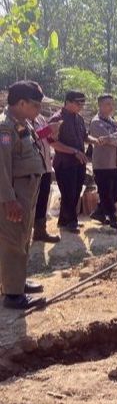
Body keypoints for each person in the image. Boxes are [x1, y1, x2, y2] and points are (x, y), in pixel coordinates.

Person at [0, 81, 47, 309]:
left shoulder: (21, 124)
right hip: (15, 194)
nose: (38, 111)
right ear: (21, 103)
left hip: (26, 190)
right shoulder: (5, 128)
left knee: (23, 238)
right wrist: (9, 199)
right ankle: (12, 294)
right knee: (13, 240)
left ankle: (16, 282)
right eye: (35, 106)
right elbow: (2, 167)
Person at [49, 91, 100, 233]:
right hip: (65, 163)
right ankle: (71, 221)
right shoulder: (57, 119)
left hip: (79, 162)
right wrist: (74, 151)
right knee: (68, 192)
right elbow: (52, 143)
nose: (82, 106)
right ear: (68, 102)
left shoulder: (79, 119)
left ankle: (64, 220)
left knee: (76, 191)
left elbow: (84, 136)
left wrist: (94, 140)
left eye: (83, 103)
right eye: (79, 103)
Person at [89, 94, 117, 230]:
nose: (111, 107)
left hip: (115, 162)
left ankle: (99, 211)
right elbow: (110, 140)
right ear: (100, 105)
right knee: (105, 191)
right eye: (108, 104)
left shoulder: (112, 121)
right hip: (103, 164)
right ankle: (113, 217)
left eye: (112, 104)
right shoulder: (96, 122)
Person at [32, 113, 61, 243]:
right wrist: (48, 130)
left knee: (43, 199)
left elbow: (47, 139)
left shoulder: (40, 118)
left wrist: (53, 134)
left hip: (45, 166)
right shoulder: (20, 120)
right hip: (31, 169)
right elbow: (30, 138)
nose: (38, 107)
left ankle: (40, 231)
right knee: (30, 201)